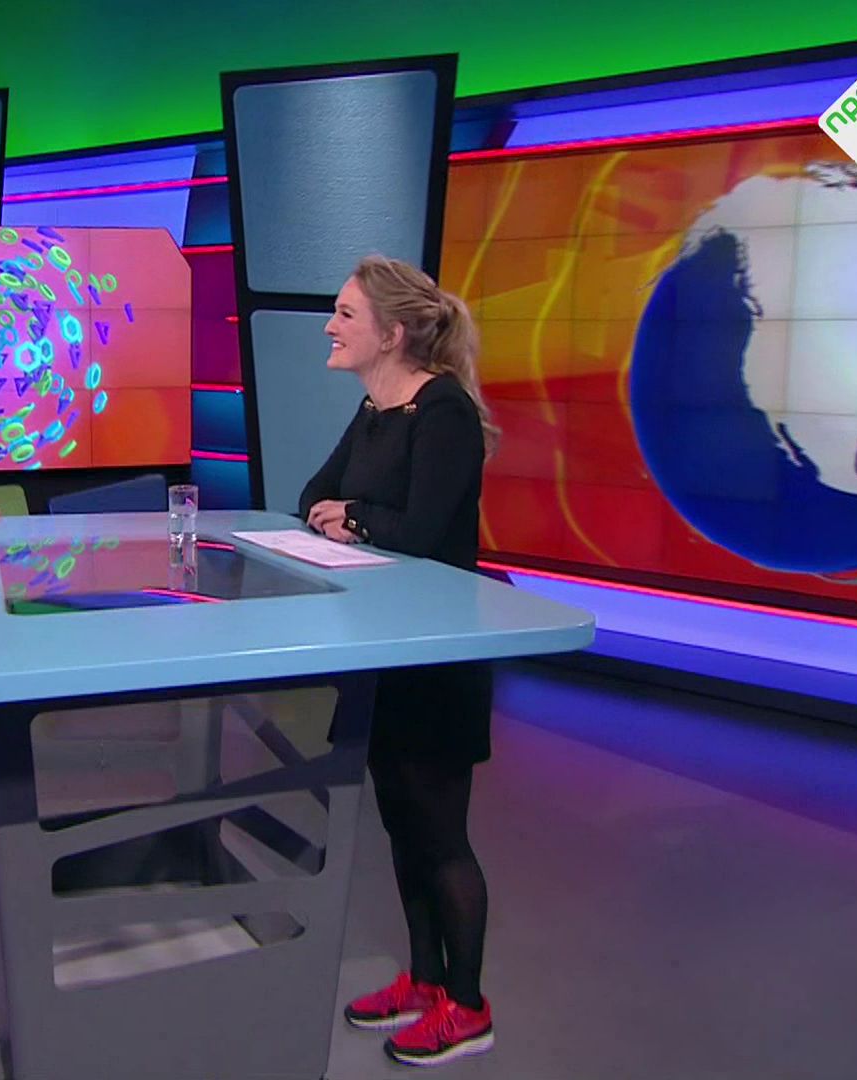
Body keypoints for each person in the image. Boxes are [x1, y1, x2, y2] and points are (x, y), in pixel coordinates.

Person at [299, 255, 503, 1068]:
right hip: (383, 652)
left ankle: (469, 1005)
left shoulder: (443, 411)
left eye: (345, 314)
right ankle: (423, 983)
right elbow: (311, 496)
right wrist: (351, 514)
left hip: (438, 658)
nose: (330, 326)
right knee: (403, 826)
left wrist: (354, 517)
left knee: (441, 835)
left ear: (392, 333)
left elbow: (418, 531)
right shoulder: (376, 408)